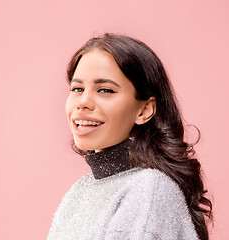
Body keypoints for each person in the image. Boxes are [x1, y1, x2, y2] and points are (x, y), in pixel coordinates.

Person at [47, 33, 213, 240]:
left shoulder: (149, 190)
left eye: (105, 90)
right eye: (77, 88)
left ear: (144, 110)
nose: (83, 102)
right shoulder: (80, 191)